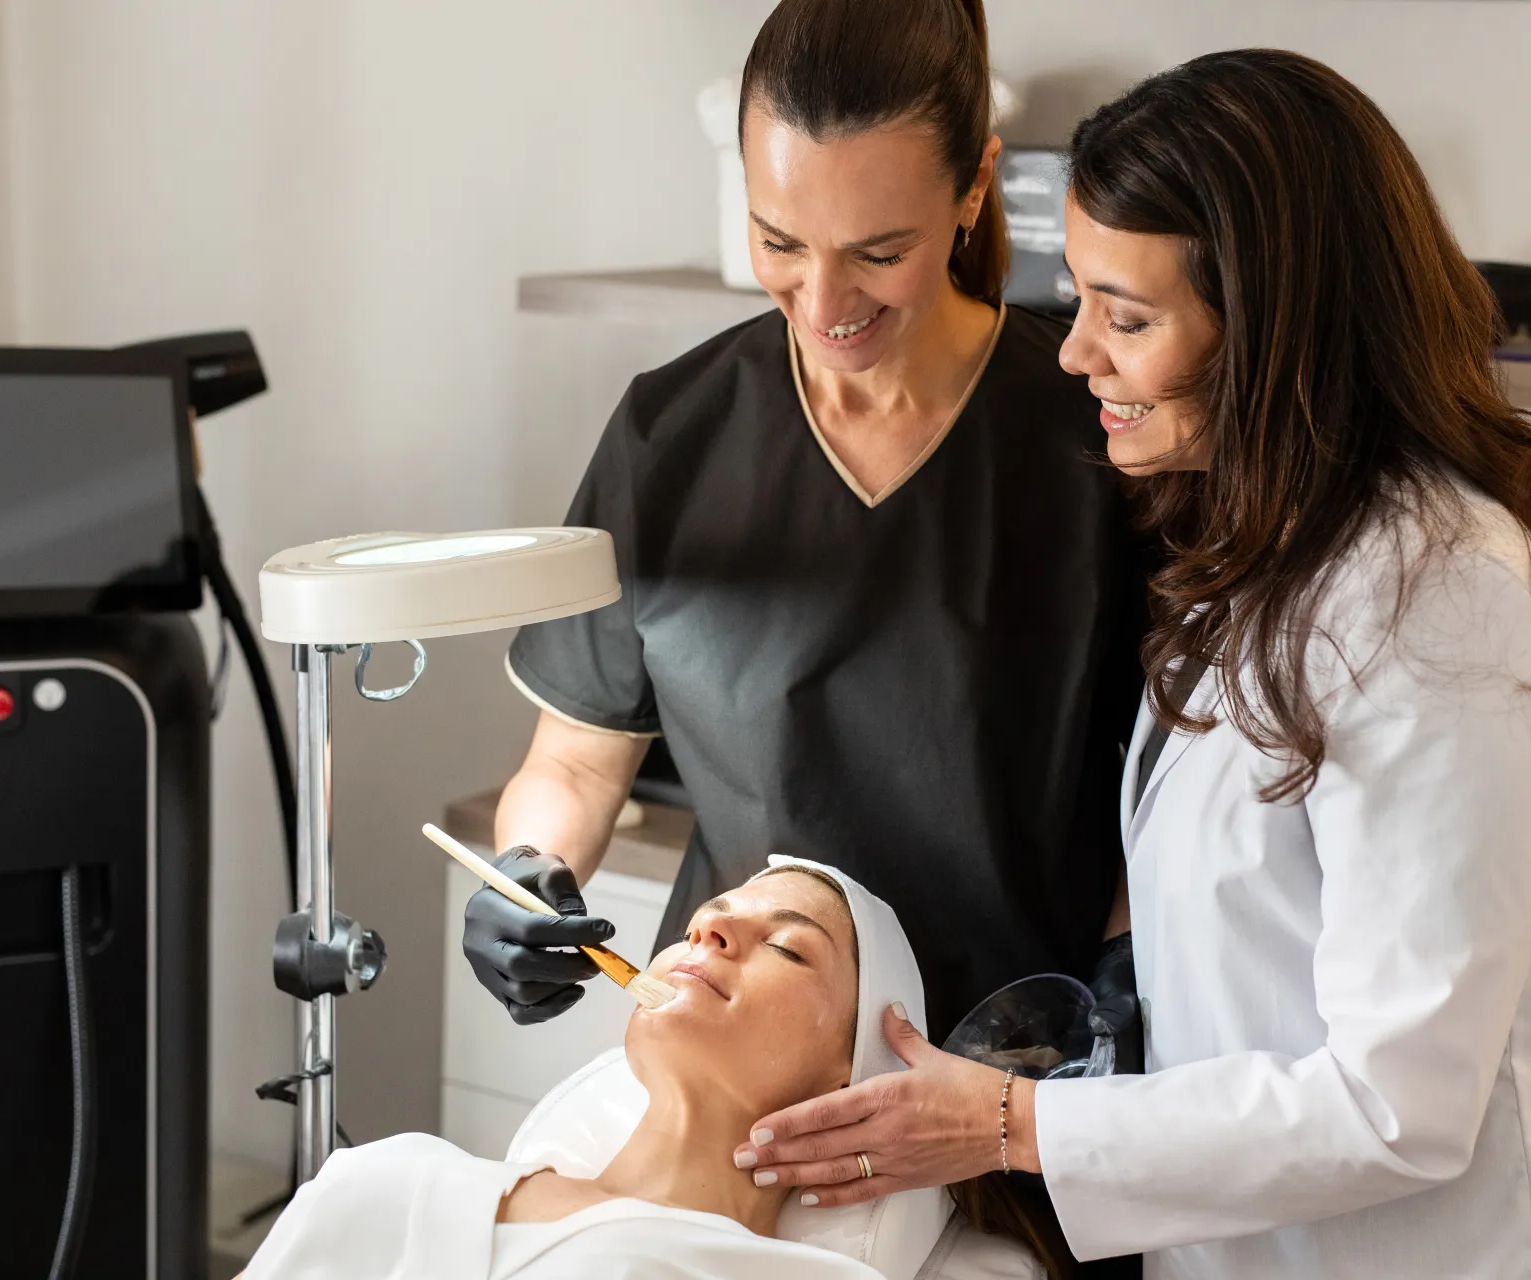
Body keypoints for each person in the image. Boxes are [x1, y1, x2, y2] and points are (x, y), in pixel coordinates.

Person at [729, 51, 1531, 1278]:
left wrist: (1011, 1124)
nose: (1075, 353)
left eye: (1128, 318)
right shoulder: (1269, 548)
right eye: (1081, 301)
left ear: (1274, 331)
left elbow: (1396, 1102)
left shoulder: (1442, 602)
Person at [462, 0, 1143, 1118]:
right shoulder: (670, 436)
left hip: (1006, 1085)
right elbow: (579, 764)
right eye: (779, 242)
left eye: (879, 253)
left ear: (973, 189)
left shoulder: (1091, 436)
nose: (823, 304)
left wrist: (1122, 994)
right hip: (742, 1071)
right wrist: (528, 877)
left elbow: (1162, 797)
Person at [242, 862, 1032, 1278]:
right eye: (700, 922)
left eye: (789, 947)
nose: (713, 928)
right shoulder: (387, 1178)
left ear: (850, 1078)